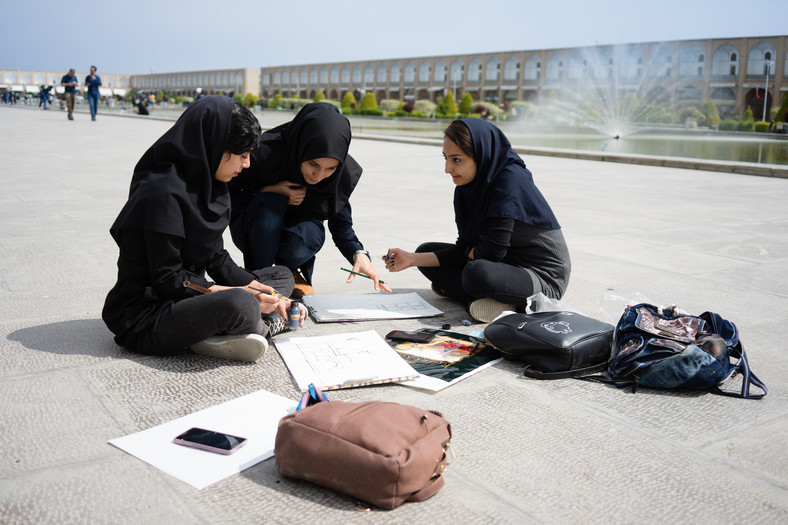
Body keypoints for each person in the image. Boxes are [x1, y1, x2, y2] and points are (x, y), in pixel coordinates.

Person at [102, 96, 304, 362]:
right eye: (242, 156)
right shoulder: (161, 193)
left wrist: (269, 294)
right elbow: (168, 279)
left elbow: (216, 258)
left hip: (190, 298)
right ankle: (261, 327)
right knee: (240, 304)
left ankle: (227, 329)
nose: (247, 165)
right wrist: (245, 295)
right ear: (215, 147)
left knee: (280, 276)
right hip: (149, 314)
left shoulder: (210, 184)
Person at [383, 119, 571, 323]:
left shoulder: (510, 180)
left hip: (542, 279)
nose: (447, 168)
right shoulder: (465, 189)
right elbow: (464, 248)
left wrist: (470, 255)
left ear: (481, 156)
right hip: (504, 266)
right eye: (445, 158)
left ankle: (482, 297)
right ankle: (481, 299)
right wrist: (411, 259)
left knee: (477, 272)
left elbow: (492, 253)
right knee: (424, 251)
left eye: (456, 160)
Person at [228, 102, 390, 296]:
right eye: (313, 164)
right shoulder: (265, 152)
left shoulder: (340, 172)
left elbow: (341, 225)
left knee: (309, 233)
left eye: (330, 169)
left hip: (294, 234)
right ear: (301, 145)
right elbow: (230, 194)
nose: (318, 176)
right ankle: (258, 275)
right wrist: (270, 190)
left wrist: (359, 254)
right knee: (271, 205)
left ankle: (287, 271)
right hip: (253, 229)